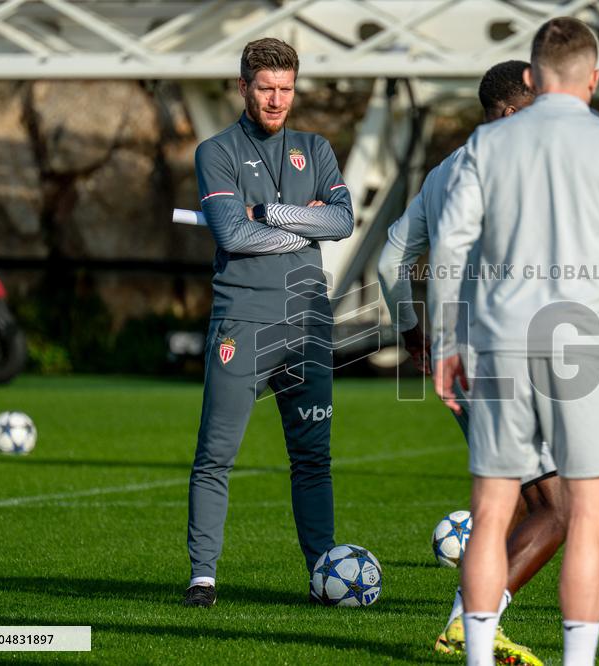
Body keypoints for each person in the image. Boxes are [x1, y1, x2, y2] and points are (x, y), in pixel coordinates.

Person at [431, 17, 599, 665]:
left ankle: (478, 655)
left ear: (533, 79)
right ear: (592, 80)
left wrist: (445, 344)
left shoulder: (486, 145)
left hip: (499, 345)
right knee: (587, 514)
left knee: (491, 510)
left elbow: (450, 248)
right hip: (580, 347)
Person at [378, 60, 550, 666]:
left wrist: (417, 336)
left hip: (463, 363)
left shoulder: (444, 172)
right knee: (557, 508)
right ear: (508, 112)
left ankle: (471, 627)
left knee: (518, 502)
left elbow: (388, 264)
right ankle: (471, 625)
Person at [184, 37, 354, 607]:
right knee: (215, 455)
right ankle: (203, 577)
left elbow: (344, 221)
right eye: (265, 89)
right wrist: (305, 225)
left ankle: (323, 573)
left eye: (285, 89)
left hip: (309, 323)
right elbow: (234, 235)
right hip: (245, 322)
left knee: (313, 459)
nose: (277, 100)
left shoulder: (317, 147)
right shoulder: (217, 151)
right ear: (243, 88)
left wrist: (271, 214)